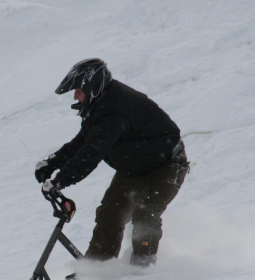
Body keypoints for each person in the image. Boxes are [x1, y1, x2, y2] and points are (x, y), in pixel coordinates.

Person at [35, 58, 189, 268]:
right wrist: (51, 163)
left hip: (166, 166)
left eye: (78, 90)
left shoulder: (115, 111)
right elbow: (82, 142)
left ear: (92, 86)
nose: (75, 96)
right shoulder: (100, 107)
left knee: (144, 214)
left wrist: (60, 181)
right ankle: (96, 275)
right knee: (110, 215)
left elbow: (91, 153)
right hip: (134, 168)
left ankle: (142, 273)